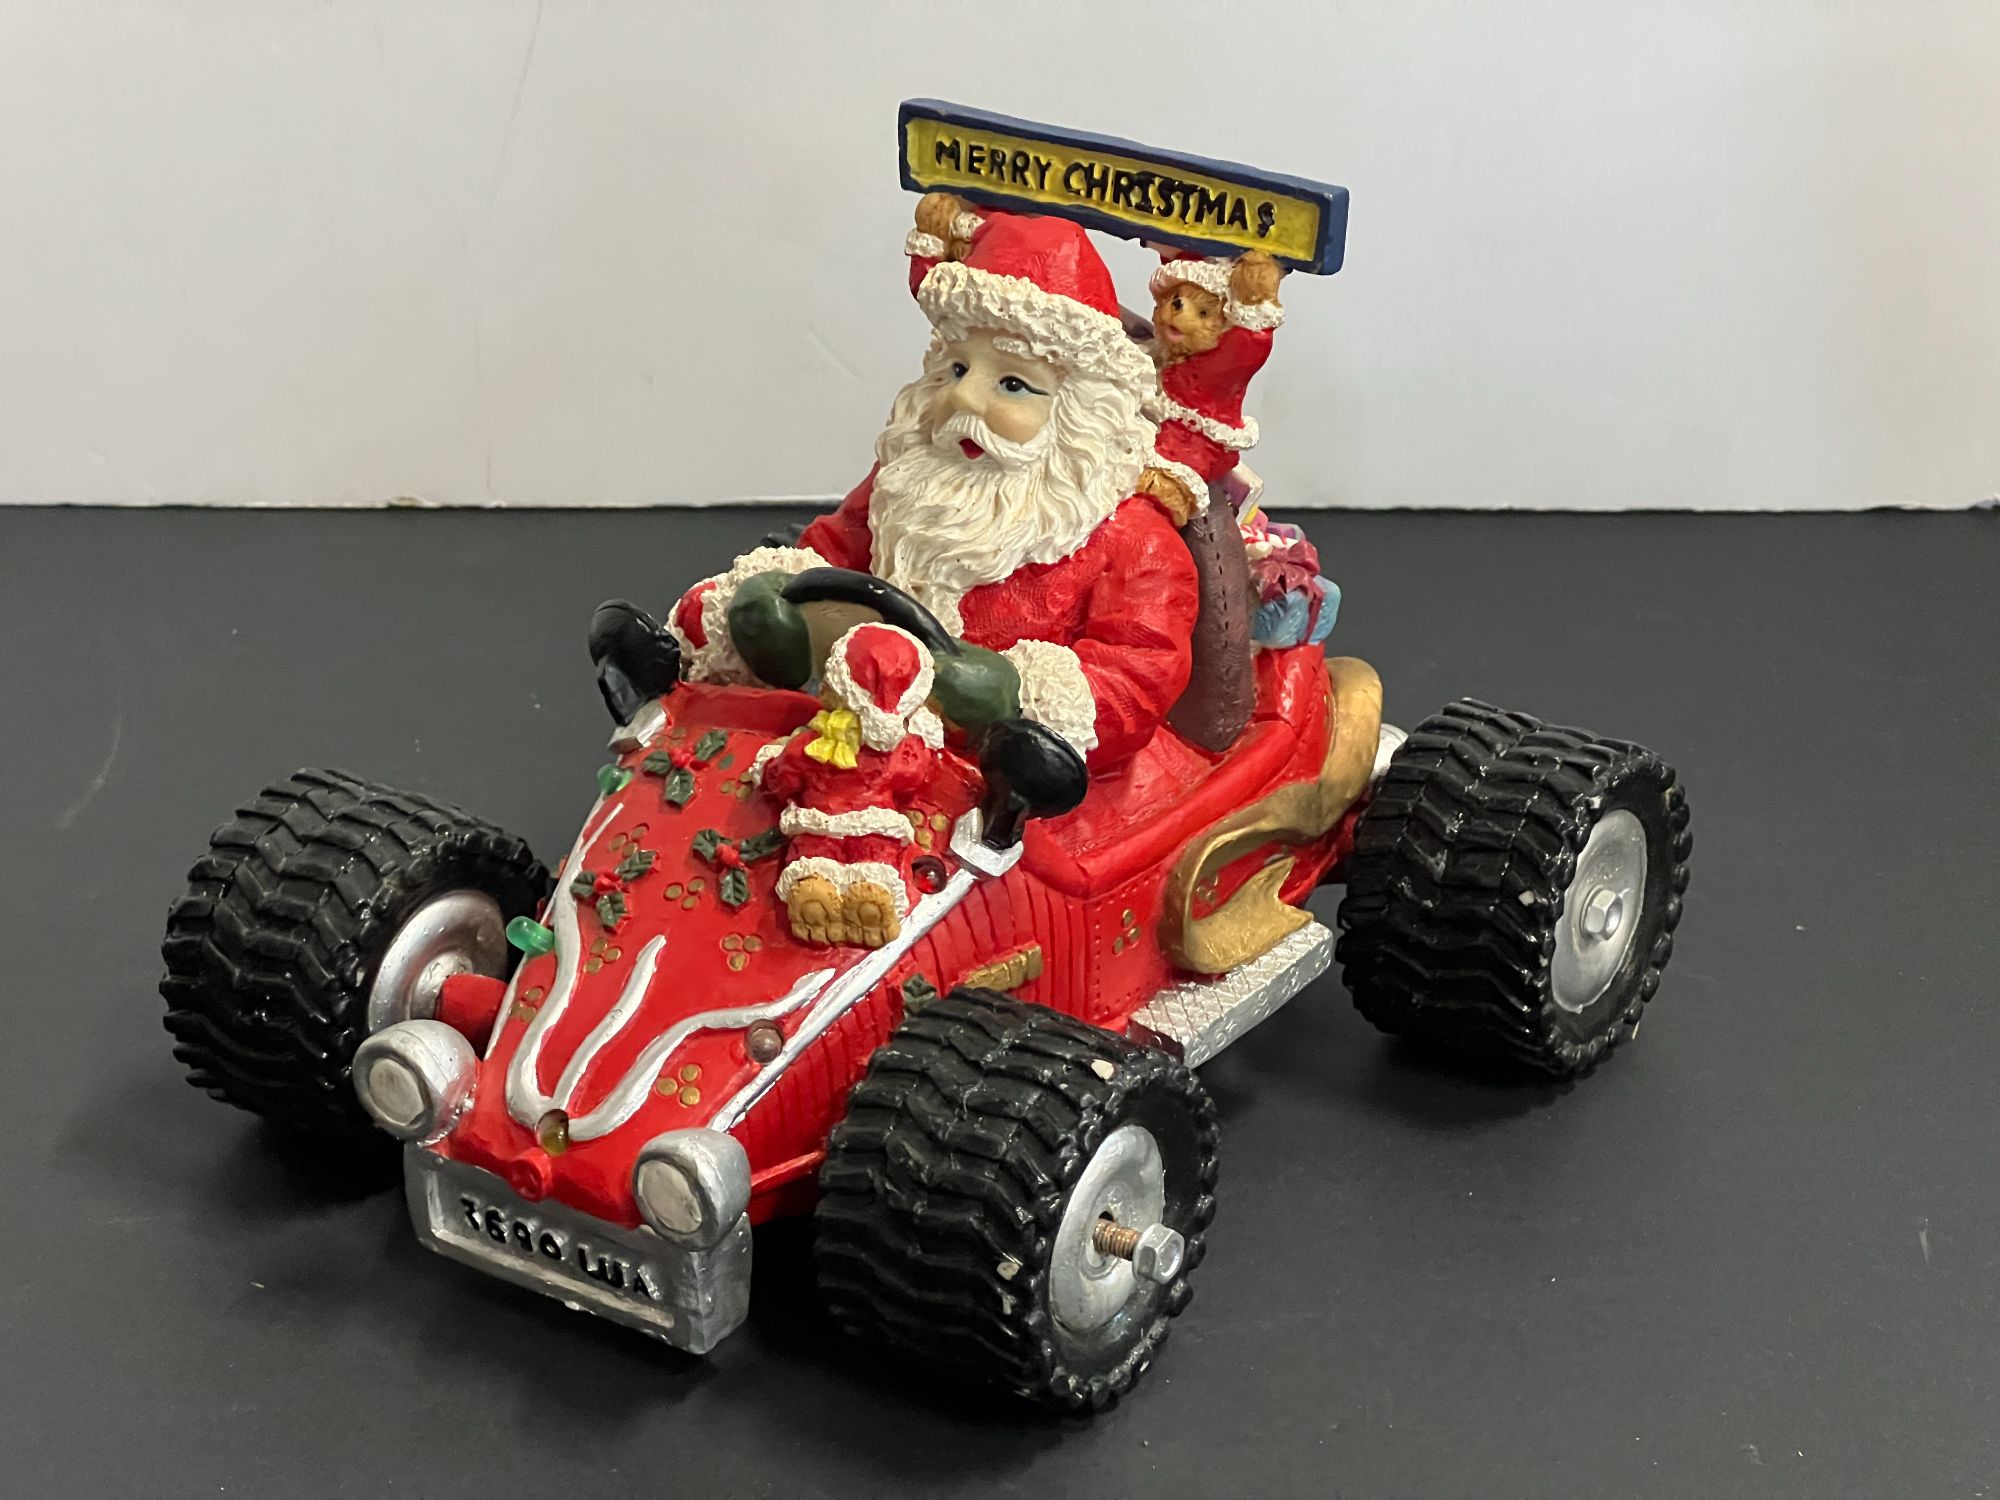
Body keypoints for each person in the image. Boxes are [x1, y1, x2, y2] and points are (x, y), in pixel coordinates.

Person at [668, 197, 1199, 775]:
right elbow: (833, 552)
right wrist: (774, 611)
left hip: (1007, 778)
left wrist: (1003, 693)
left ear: (1081, 414)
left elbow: (1136, 677)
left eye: (1013, 383)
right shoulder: (908, 481)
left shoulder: (1135, 542)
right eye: (958, 369)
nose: (963, 397)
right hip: (857, 728)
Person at [755, 623, 942, 948]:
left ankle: (816, 889)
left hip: (817, 826)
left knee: (812, 860)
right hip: (876, 828)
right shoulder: (900, 753)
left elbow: (783, 779)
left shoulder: (809, 745)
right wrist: (924, 743)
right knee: (875, 863)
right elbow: (910, 778)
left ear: (837, 695)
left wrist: (768, 764)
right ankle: (872, 895)